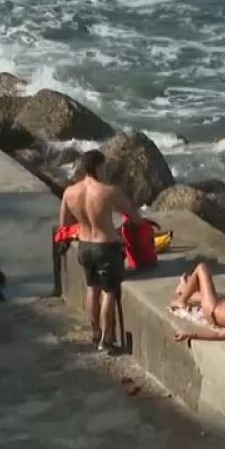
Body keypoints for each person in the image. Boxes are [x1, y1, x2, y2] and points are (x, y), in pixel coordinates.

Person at [59, 150, 141, 352]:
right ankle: (107, 338)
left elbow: (64, 224)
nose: (105, 171)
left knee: (92, 288)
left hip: (85, 246)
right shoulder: (108, 191)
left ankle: (94, 332)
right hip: (106, 246)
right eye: (103, 167)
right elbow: (133, 216)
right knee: (109, 292)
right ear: (97, 167)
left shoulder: (70, 192)